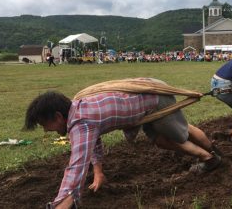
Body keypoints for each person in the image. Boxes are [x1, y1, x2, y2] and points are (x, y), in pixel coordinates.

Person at [24, 78, 221, 208]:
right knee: (161, 140)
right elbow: (93, 141)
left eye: (45, 124)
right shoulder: (78, 107)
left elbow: (76, 166)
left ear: (58, 116)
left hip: (154, 99)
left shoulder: (82, 123)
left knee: (180, 134)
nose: (46, 130)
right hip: (145, 97)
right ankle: (211, 152)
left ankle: (211, 157)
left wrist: (60, 204)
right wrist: (99, 172)